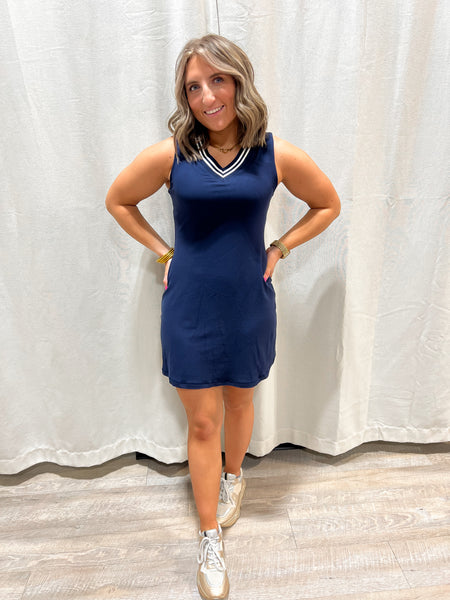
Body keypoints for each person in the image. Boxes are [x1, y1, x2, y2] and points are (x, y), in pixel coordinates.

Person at [106, 33, 340, 600]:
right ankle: (209, 535)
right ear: (184, 97)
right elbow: (118, 200)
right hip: (189, 305)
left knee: (240, 400)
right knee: (202, 423)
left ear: (239, 82)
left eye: (218, 80)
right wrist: (164, 253)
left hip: (248, 304)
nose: (207, 96)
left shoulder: (274, 154)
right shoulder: (172, 155)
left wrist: (279, 247)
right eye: (193, 87)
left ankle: (235, 476)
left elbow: (328, 204)